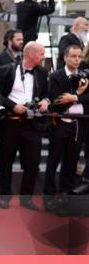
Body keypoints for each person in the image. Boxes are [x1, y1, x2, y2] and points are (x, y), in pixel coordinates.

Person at [0, 42, 50, 210]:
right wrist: (12, 106)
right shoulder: (6, 70)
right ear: (31, 54)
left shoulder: (43, 72)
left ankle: (26, 198)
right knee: (5, 161)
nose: (44, 56)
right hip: (9, 123)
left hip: (32, 125)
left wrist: (46, 101)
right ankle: (4, 196)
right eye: (41, 53)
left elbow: (47, 94)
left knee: (33, 163)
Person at [43, 45, 89, 210]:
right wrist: (77, 94)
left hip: (78, 124)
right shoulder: (56, 76)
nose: (77, 59)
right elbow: (57, 99)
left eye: (79, 56)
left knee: (71, 161)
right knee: (53, 160)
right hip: (60, 123)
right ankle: (48, 195)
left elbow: (83, 97)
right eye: (74, 56)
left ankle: (66, 193)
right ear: (65, 57)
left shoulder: (86, 75)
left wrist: (76, 97)